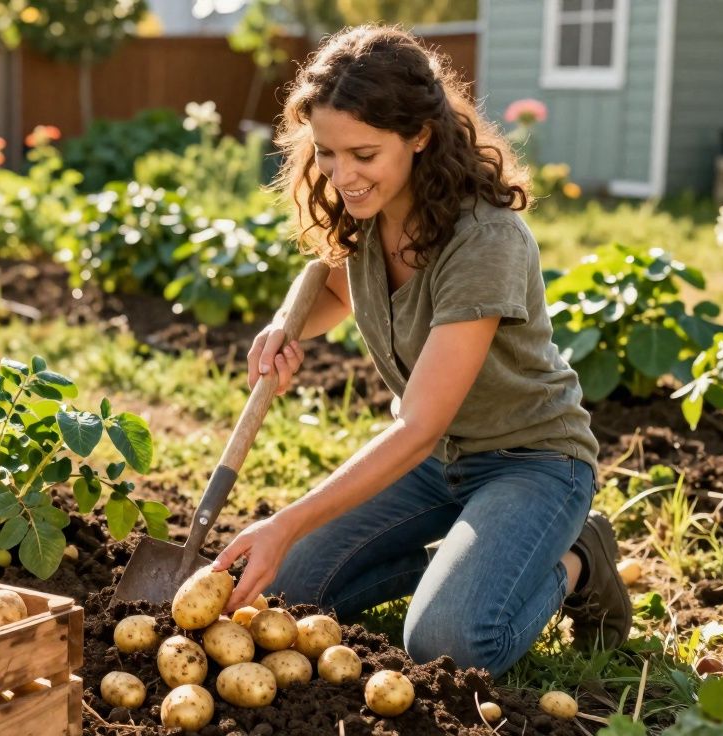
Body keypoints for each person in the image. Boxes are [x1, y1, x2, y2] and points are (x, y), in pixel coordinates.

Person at [211, 25, 632, 678]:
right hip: (436, 463)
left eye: (363, 154)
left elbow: (420, 423)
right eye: (326, 152)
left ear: (420, 135)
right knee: (282, 594)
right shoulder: (367, 209)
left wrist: (285, 522)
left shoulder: (484, 239)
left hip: (530, 461)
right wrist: (287, 328)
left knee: (448, 642)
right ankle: (472, 563)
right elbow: (333, 281)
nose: (342, 175)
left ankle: (577, 561)